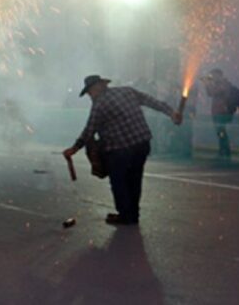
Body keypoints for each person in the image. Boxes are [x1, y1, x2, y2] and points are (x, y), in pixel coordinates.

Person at [63, 75, 182, 226]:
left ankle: (125, 215)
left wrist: (74, 148)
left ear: (97, 87)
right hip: (142, 143)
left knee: (118, 181)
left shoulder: (100, 104)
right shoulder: (127, 91)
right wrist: (172, 113)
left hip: (120, 149)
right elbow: (153, 102)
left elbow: (89, 130)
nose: (90, 96)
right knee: (134, 179)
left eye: (90, 92)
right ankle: (133, 214)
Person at [203, 69, 238, 160]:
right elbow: (210, 94)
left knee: (221, 132)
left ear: (219, 75)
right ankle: (223, 151)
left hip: (222, 111)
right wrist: (207, 85)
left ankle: (225, 152)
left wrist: (208, 84)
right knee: (219, 132)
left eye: (213, 75)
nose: (212, 78)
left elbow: (215, 92)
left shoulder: (224, 83)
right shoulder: (218, 84)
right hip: (216, 111)